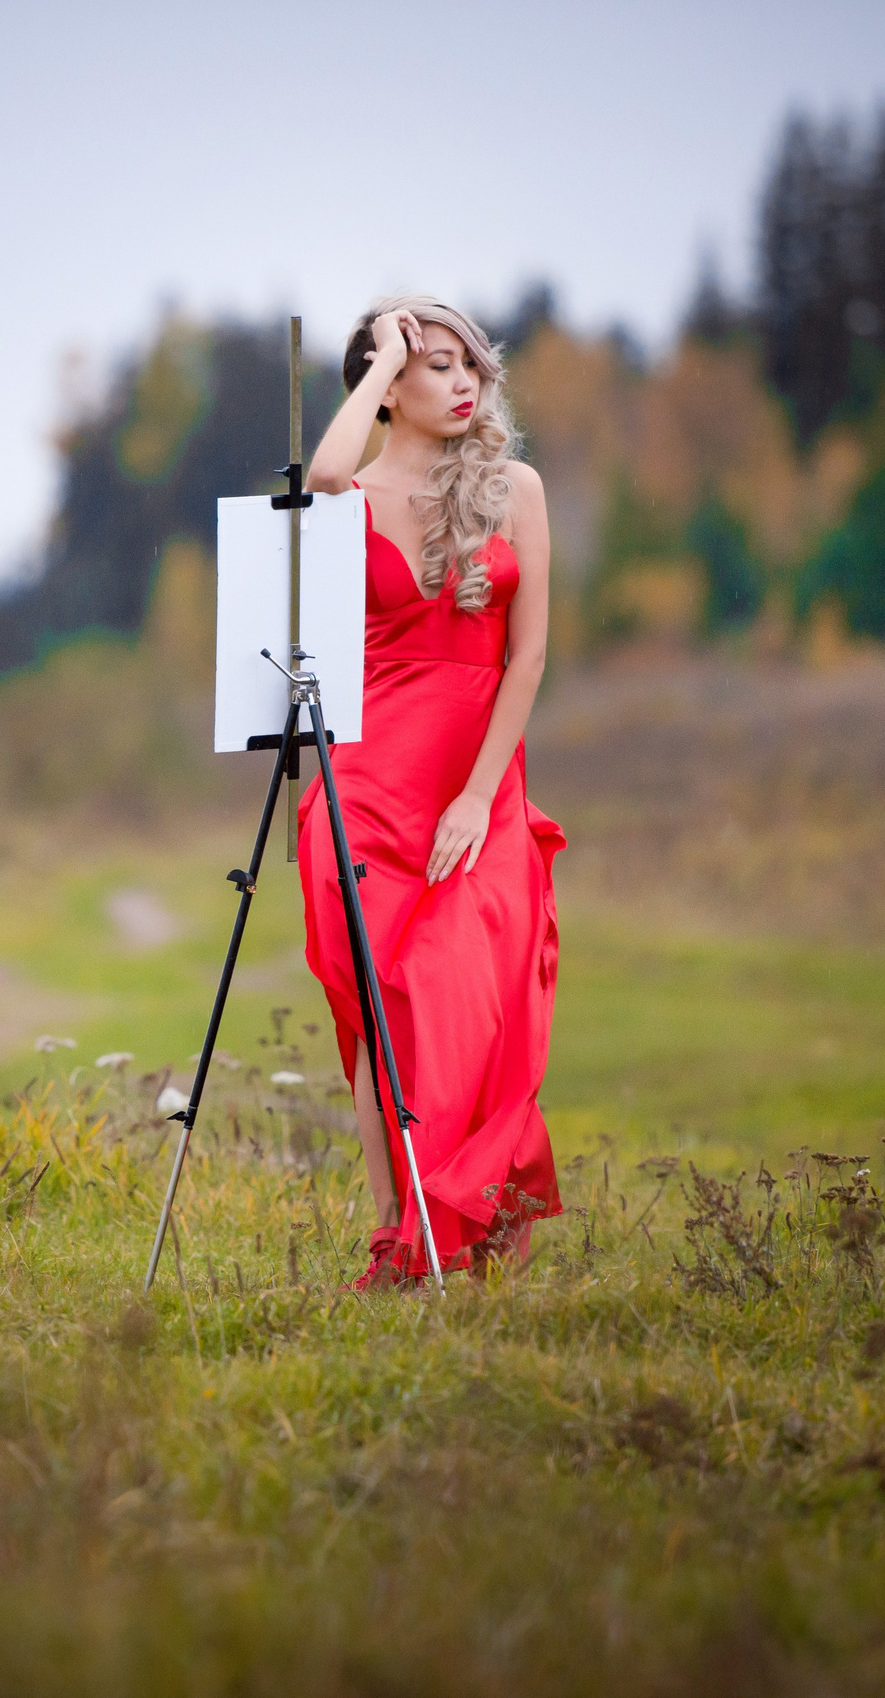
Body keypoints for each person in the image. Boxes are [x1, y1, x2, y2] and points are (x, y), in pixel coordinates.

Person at [300, 297, 566, 1288]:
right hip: (363, 781)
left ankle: (460, 1207)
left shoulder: (514, 488)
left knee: (463, 994)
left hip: (474, 783)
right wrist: (379, 360)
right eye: (434, 366)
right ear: (385, 386)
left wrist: (475, 796)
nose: (462, 385)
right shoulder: (352, 490)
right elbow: (325, 473)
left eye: (469, 367)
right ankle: (392, 1231)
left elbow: (527, 656)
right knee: (379, 1005)